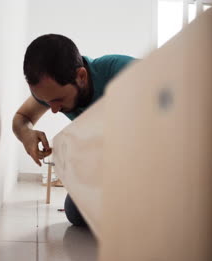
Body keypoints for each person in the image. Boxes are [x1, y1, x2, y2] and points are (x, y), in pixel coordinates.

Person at [12, 34, 135, 226]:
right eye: (46, 101)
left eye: (58, 100)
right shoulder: (52, 90)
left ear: (81, 76)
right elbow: (21, 118)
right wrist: (27, 135)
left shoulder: (121, 72)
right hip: (111, 170)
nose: (53, 110)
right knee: (75, 211)